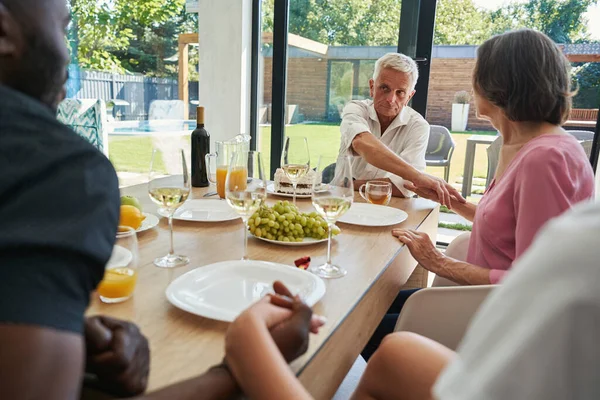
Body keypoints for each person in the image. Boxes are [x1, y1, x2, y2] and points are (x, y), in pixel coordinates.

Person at [0, 1, 324, 399]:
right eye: (63, 27)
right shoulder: (52, 174)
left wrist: (64, 334)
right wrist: (242, 366)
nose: (67, 50)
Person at [361, 28, 595, 360]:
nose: (472, 85)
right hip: (481, 299)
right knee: (370, 307)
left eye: (477, 73)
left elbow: (530, 281)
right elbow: (511, 225)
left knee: (366, 328)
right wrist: (455, 203)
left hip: (502, 321)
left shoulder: (546, 159)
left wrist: (439, 262)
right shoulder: (524, 144)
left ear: (499, 85)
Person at [336, 52, 463, 206]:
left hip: (388, 206)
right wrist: (416, 176)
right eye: (384, 88)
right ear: (371, 87)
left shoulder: (418, 126)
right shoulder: (355, 109)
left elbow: (405, 187)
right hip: (340, 201)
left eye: (400, 92)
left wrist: (351, 184)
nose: (391, 99)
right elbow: (362, 143)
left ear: (409, 96)